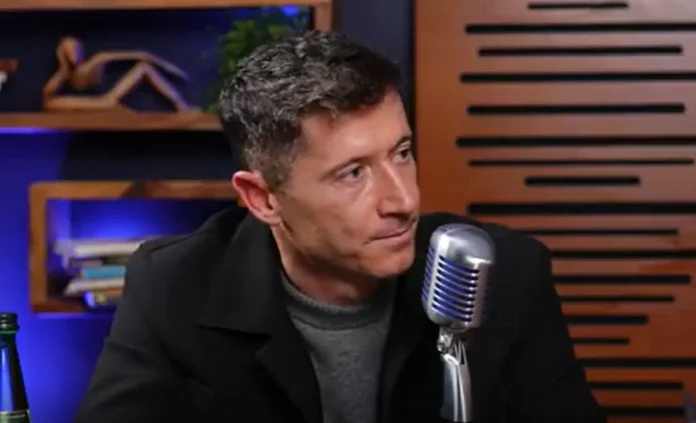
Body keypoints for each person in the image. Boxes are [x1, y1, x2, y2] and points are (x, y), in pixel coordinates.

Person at [74, 30, 606, 423]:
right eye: (353, 173)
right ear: (263, 198)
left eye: (402, 153)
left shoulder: (505, 274)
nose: (403, 200)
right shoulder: (174, 284)